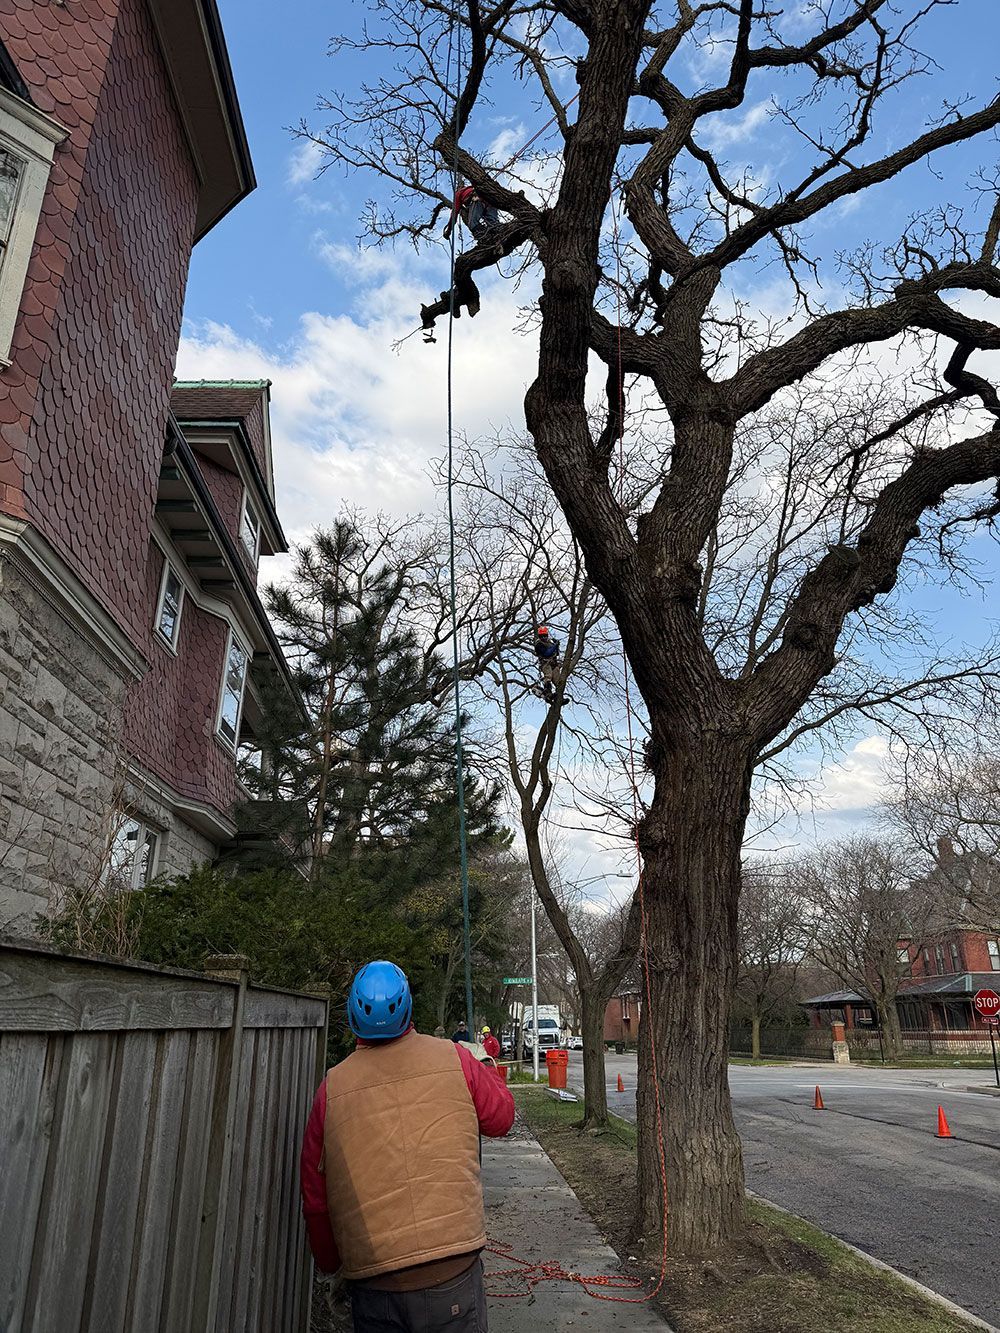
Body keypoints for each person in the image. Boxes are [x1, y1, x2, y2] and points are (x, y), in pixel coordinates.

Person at [300, 961, 515, 1332]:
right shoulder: (454, 1058)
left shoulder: (332, 1090)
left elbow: (316, 1198)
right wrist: (486, 1068)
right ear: (409, 1008)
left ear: (352, 1012)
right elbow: (501, 1118)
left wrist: (331, 1263)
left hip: (375, 1281)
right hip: (453, 1270)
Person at [533, 625, 561, 701]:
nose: (543, 638)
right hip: (545, 663)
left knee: (558, 681)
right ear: (539, 636)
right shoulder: (539, 644)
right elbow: (546, 653)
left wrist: (557, 645)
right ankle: (548, 693)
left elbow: (556, 653)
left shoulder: (550, 643)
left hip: (554, 664)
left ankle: (559, 698)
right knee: (548, 676)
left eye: (545, 636)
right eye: (542, 636)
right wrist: (555, 645)